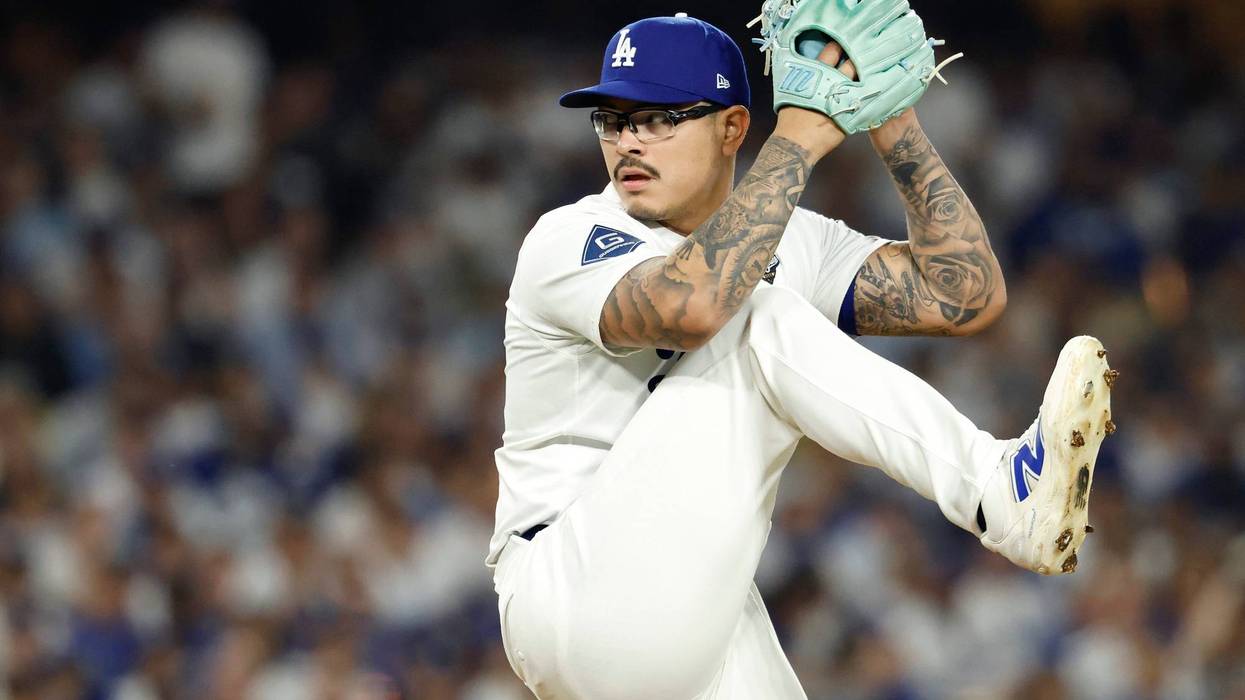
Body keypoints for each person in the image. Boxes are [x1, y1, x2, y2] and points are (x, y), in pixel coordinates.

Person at [489, 12, 1114, 699]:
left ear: (730, 128)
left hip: (692, 613)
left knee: (758, 290)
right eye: (612, 119)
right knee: (752, 306)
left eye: (658, 118)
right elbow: (695, 305)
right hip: (571, 584)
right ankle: (999, 492)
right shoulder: (570, 237)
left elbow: (961, 295)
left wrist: (889, 116)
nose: (628, 142)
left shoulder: (793, 241)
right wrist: (800, 134)